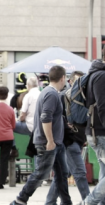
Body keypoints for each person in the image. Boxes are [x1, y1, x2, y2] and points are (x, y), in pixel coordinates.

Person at [10, 66, 72, 205]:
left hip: (57, 142)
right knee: (41, 173)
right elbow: (46, 118)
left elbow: (51, 117)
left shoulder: (47, 92)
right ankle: (20, 200)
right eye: (65, 79)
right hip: (48, 142)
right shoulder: (51, 94)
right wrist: (50, 140)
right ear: (62, 78)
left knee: (63, 174)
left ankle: (67, 202)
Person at [47, 71, 90, 204]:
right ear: (70, 82)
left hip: (78, 139)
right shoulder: (62, 96)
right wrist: (65, 124)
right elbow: (53, 117)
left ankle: (50, 201)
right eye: (77, 82)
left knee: (63, 174)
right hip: (69, 140)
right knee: (79, 173)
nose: (80, 86)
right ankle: (89, 201)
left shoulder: (85, 98)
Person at [80, 59, 105, 205]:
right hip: (100, 133)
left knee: (103, 173)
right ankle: (88, 202)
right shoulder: (101, 76)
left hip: (97, 132)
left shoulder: (95, 74)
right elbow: (102, 106)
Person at [11, 77, 40, 156]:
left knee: (9, 125)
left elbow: (23, 115)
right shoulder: (42, 94)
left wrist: (19, 120)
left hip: (29, 126)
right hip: (40, 127)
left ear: (28, 85)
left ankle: (13, 148)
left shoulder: (28, 96)